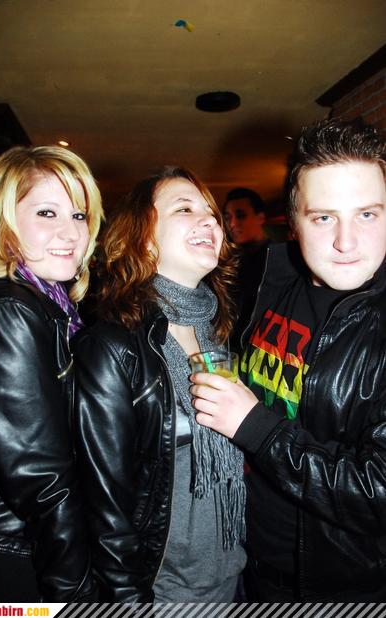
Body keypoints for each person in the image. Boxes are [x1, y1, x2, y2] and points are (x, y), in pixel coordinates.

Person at [191, 118, 386, 601]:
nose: (346, 241)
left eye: (367, 214)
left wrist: (255, 427)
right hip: (245, 563)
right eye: (323, 218)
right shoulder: (268, 278)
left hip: (339, 588)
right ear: (293, 224)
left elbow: (378, 492)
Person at [72, 166, 247, 603]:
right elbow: (104, 503)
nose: (209, 221)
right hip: (164, 590)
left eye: (211, 212)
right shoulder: (114, 346)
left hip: (234, 571)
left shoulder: (218, 331)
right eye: (184, 209)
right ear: (144, 238)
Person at [0, 145, 103, 601]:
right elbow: (41, 479)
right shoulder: (11, 310)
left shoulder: (49, 306)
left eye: (79, 215)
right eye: (47, 213)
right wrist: (73, 592)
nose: (71, 232)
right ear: (3, 222)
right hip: (12, 553)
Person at [223, 188, 270, 350]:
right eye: (228, 217)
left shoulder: (278, 261)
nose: (232, 224)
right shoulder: (228, 262)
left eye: (241, 215)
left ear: (260, 218)